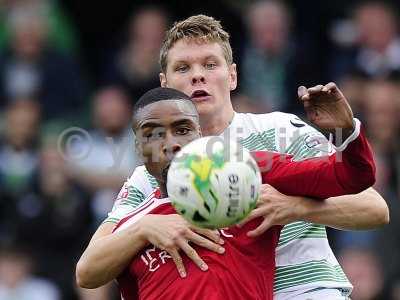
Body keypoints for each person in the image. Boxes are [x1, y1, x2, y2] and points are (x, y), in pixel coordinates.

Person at [76, 15, 389, 299]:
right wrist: (145, 228)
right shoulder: (148, 175)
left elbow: (373, 208)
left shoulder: (279, 132)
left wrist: (295, 207)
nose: (198, 76)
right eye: (183, 68)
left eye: (210, 65)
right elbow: (90, 267)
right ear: (165, 84)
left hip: (306, 288)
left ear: (233, 76)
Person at [114, 86, 374, 300]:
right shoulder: (136, 216)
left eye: (182, 130)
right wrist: (142, 229)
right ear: (138, 147)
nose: (171, 144)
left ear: (201, 133)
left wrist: (346, 133)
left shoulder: (249, 173)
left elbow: (352, 178)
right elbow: (88, 273)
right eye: (154, 135)